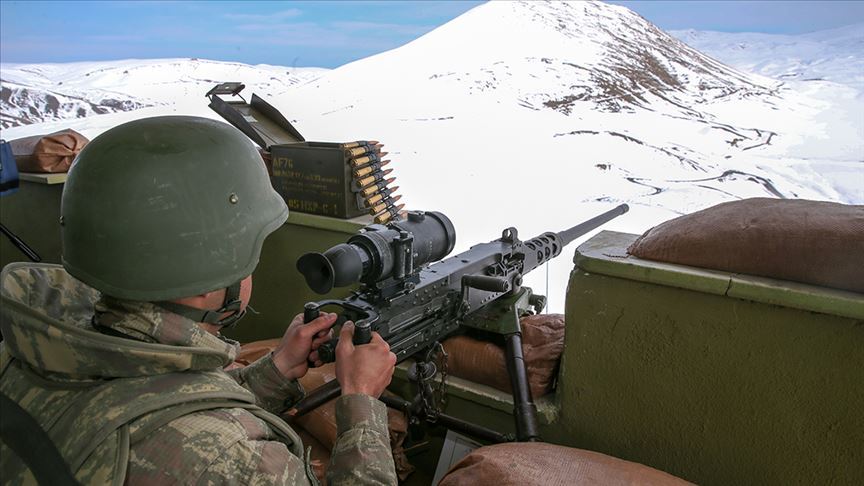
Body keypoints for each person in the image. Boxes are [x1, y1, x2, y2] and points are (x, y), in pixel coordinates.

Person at [0, 116, 398, 485]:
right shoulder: (232, 461)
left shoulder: (29, 350)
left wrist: (276, 370)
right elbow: (195, 436)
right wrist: (360, 400)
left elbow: (156, 399)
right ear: (210, 284)